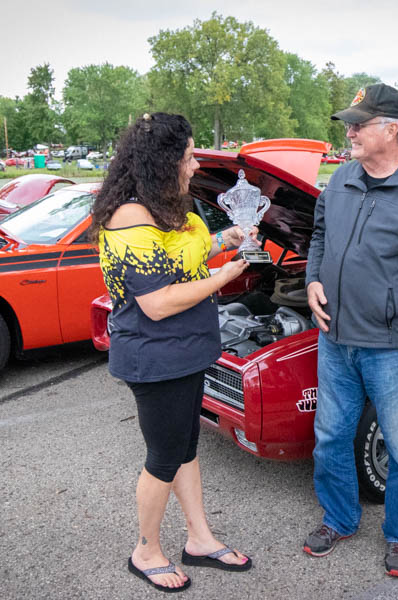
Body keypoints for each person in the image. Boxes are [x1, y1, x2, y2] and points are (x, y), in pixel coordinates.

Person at [91, 112, 254, 593]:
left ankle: (200, 539)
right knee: (163, 455)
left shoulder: (163, 208)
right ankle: (146, 550)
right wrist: (226, 275)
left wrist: (225, 241)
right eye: (187, 156)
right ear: (163, 162)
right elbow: (157, 303)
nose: (197, 164)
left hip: (187, 351)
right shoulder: (129, 217)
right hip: (155, 356)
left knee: (185, 447)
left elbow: (179, 260)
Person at [303, 84, 398, 577]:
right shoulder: (342, 179)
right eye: (349, 123)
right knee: (329, 436)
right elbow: (320, 235)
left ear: (391, 129)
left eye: (359, 124)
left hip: (393, 350)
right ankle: (340, 519)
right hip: (336, 340)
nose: (349, 131)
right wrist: (311, 282)